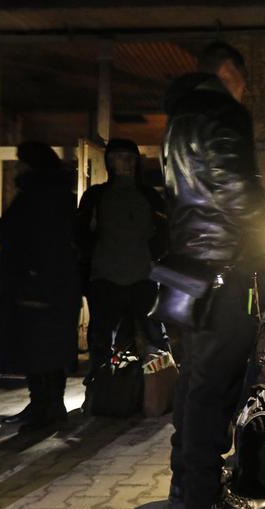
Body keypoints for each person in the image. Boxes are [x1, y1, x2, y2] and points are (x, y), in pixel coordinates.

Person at [162, 41, 265, 509]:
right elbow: (235, 190)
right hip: (221, 267)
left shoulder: (179, 120)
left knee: (193, 382)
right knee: (216, 386)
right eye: (243, 80)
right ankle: (206, 500)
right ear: (230, 71)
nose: (244, 90)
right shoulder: (220, 112)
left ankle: (187, 480)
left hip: (184, 267)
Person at [0, 142, 80, 433]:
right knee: (44, 348)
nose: (17, 167)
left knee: (39, 348)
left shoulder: (41, 196)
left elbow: (40, 243)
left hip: (38, 286)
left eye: (21, 161)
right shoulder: (51, 194)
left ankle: (47, 407)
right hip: (48, 285)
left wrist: (29, 278)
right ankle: (45, 404)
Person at [75, 138, 169, 377]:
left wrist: (153, 257)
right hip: (105, 275)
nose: (125, 163)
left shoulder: (148, 196)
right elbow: (80, 233)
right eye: (119, 157)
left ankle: (151, 389)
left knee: (150, 336)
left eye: (130, 158)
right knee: (101, 338)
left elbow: (165, 231)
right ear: (109, 161)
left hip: (141, 275)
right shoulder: (97, 196)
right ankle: (100, 387)